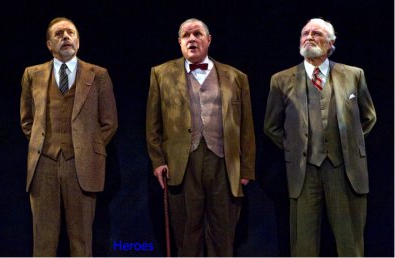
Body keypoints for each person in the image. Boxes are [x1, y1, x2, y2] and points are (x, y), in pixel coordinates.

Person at [264, 18, 376, 256]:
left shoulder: (354, 75)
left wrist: (347, 144)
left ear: (330, 43)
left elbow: (368, 117)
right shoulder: (281, 80)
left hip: (344, 170)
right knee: (303, 246)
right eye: (305, 33)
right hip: (303, 173)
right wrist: (295, 148)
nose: (309, 37)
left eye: (316, 33)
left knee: (350, 244)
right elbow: (271, 126)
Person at [146, 18, 255, 256]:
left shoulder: (236, 77)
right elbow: (153, 125)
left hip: (224, 164)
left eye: (197, 34)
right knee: (187, 233)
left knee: (223, 232)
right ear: (179, 42)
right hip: (182, 164)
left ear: (208, 40)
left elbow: (246, 127)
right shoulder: (161, 74)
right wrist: (158, 161)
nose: (192, 39)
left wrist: (246, 168)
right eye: (186, 35)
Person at [20, 17, 118, 256]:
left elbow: (109, 122)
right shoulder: (32, 74)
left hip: (82, 166)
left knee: (81, 241)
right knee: (43, 241)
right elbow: (27, 120)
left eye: (70, 32)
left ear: (78, 41)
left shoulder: (98, 74)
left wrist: (87, 148)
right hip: (43, 164)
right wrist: (43, 146)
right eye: (59, 33)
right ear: (49, 44)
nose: (65, 36)